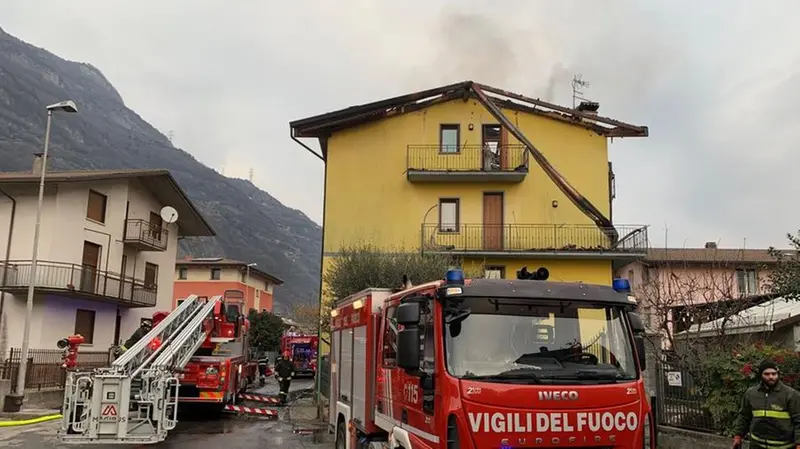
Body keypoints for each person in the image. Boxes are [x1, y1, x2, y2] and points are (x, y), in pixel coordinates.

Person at [732, 359, 800, 449]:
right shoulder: (751, 393)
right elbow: (744, 416)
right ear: (761, 375)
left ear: (778, 374)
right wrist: (738, 435)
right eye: (767, 374)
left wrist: (798, 444)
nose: (771, 377)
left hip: (784, 446)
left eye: (774, 374)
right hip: (756, 446)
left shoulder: (791, 395)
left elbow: (798, 421)